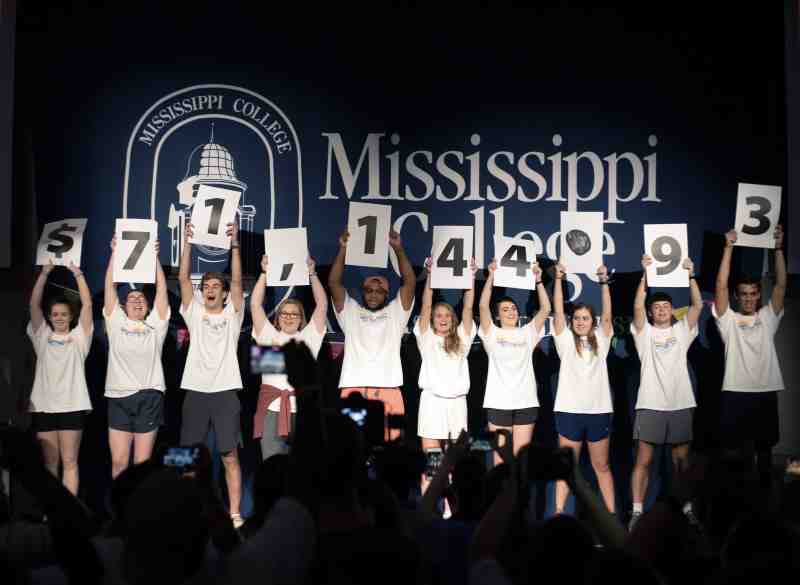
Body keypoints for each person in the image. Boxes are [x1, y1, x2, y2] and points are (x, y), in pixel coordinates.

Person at [178, 219, 245, 527]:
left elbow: (238, 283)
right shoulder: (193, 312)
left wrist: (234, 246)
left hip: (225, 392)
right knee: (186, 456)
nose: (210, 290)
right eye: (205, 286)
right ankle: (187, 510)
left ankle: (233, 513)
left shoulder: (233, 313)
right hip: (195, 390)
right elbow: (182, 279)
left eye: (216, 286)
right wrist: (188, 242)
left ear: (224, 292)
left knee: (229, 456)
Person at [629, 255, 703, 528]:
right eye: (656, 307)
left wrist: (691, 276)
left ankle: (686, 509)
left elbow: (696, 305)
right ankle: (636, 513)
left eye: (665, 306)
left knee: (681, 462)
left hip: (681, 404)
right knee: (644, 460)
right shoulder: (643, 333)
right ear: (650, 313)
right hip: (650, 404)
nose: (661, 310)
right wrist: (645, 275)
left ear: (672, 310)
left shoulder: (683, 330)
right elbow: (637, 303)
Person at [713, 224, 786, 488]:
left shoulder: (768, 318)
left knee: (764, 453)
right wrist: (728, 247)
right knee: (734, 455)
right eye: (743, 294)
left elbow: (780, 286)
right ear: (737, 296)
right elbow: (720, 286)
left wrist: (778, 248)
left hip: (765, 391)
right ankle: (735, 506)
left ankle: (764, 507)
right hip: (735, 391)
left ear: (758, 296)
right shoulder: (728, 320)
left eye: (753, 293)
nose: (748, 298)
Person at [328, 228, 415, 440]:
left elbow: (410, 282)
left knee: (390, 449)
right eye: (369, 289)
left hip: (389, 389)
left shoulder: (396, 313)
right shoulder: (351, 311)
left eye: (379, 290)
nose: (374, 293)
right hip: (353, 389)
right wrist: (343, 250)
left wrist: (398, 250)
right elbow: (333, 283)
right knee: (351, 450)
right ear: (362, 291)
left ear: (387, 294)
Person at [103, 236, 170, 479]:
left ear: (148, 307)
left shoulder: (156, 325)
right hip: (118, 396)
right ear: (123, 307)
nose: (137, 300)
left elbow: (162, 290)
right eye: (131, 299)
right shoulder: (115, 321)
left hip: (149, 396)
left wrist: (154, 259)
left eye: (141, 298)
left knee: (142, 464)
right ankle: (119, 514)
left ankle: (140, 514)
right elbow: (110, 287)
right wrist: (114, 254)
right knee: (119, 462)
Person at [250, 254, 327, 460]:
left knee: (302, 468)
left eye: (294, 314)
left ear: (302, 319)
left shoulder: (309, 337)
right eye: (284, 313)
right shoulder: (267, 335)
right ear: (277, 317)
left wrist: (313, 274)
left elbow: (322, 306)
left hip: (302, 411)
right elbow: (255, 306)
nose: (289, 317)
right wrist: (264, 274)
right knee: (271, 466)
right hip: (271, 410)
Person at [552, 263, 615, 514]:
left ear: (593, 321)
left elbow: (608, 314)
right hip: (569, 411)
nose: (580, 322)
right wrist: (558, 279)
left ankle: (611, 517)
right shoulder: (564, 340)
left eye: (585, 318)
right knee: (565, 468)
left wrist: (603, 283)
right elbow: (558, 310)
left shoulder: (602, 338)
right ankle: (558, 514)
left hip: (598, 411)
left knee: (602, 467)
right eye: (576, 318)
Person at [27, 260, 93, 496]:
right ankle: (51, 515)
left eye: (64, 314)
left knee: (70, 461)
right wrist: (44, 274)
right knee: (49, 464)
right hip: (44, 407)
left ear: (70, 316)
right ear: (50, 316)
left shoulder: (79, 339)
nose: (59, 318)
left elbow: (87, 305)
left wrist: (78, 274)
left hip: (72, 406)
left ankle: (70, 513)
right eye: (55, 314)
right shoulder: (42, 335)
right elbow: (34, 305)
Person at [478, 258, 551, 465]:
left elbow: (545, 308)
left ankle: (519, 498)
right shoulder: (491, 333)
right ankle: (500, 497)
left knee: (521, 461)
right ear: (497, 316)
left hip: (525, 403)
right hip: (498, 403)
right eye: (505, 309)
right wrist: (491, 276)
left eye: (513, 308)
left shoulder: (527, 332)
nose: (511, 312)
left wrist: (538, 281)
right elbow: (483, 305)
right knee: (500, 460)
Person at [414, 257, 477, 493]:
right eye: (438, 315)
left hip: (457, 406)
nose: (442, 319)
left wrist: (470, 277)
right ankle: (430, 511)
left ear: (453, 320)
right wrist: (430, 274)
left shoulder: (462, 338)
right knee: (432, 463)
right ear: (432, 320)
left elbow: (469, 307)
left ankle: (452, 511)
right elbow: (426, 304)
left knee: (453, 463)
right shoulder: (426, 337)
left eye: (447, 315)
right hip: (431, 404)